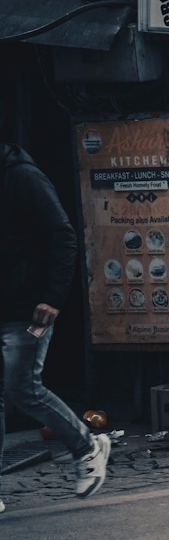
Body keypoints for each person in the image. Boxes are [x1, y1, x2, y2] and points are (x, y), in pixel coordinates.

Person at [0, 143, 106, 509]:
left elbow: (63, 235)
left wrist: (53, 297)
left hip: (29, 311)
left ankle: (87, 446)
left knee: (23, 387)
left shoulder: (23, 177)